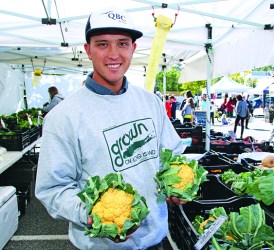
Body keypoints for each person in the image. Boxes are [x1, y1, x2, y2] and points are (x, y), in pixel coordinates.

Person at [35, 7, 186, 250]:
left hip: (156, 239)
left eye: (123, 43)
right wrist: (94, 216)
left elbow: (173, 155)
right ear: (88, 50)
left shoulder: (151, 102)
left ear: (133, 48)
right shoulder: (63, 116)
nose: (114, 54)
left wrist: (176, 184)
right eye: (103, 44)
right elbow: (52, 189)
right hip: (100, 246)